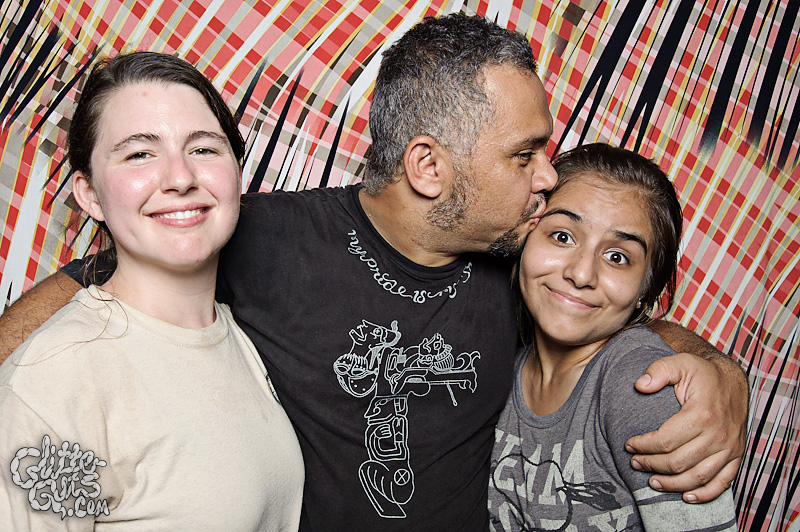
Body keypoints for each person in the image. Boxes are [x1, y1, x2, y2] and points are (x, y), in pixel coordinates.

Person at [0, 15, 747, 532]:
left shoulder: (525, 260)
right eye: (524, 155)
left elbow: (611, 312)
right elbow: (95, 285)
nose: (548, 177)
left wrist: (715, 371)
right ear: (428, 167)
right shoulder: (258, 236)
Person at [0, 52, 304, 530]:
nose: (181, 178)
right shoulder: (52, 382)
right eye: (139, 154)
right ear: (90, 195)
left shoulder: (243, 338)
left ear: (236, 172)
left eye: (203, 149)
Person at [488, 144, 738, 531]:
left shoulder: (640, 386)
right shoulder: (497, 367)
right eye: (562, 236)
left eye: (617, 257)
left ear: (645, 290)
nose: (581, 274)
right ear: (526, 237)